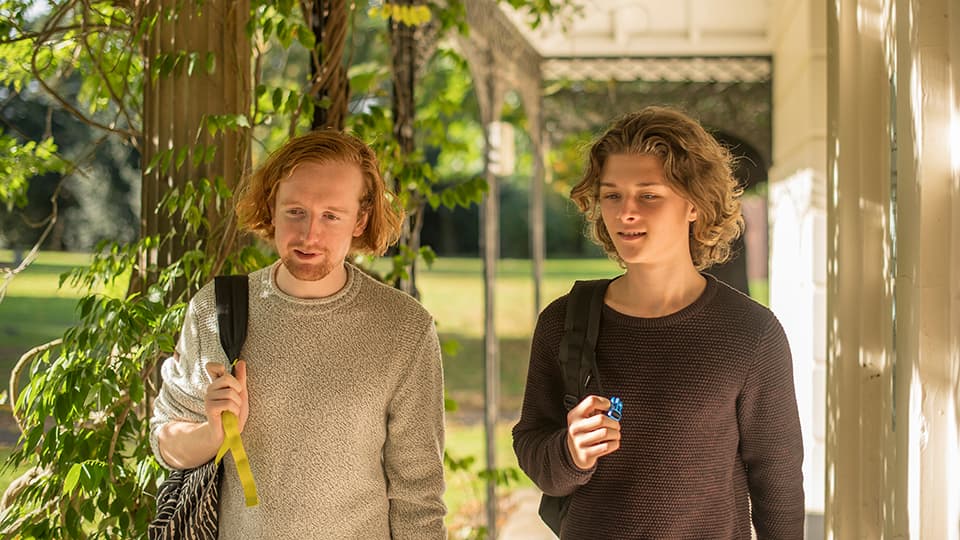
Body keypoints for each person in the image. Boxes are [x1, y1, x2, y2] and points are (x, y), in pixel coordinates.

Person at [512, 106, 804, 539]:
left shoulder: (751, 334)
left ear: (694, 205)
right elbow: (536, 452)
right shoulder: (564, 321)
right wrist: (571, 451)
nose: (625, 212)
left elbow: (777, 486)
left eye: (648, 195)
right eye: (612, 195)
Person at [150, 130, 447, 538]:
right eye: (295, 211)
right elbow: (165, 441)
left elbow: (419, 497)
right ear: (272, 208)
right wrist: (211, 433)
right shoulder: (215, 310)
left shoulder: (404, 328)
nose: (310, 235)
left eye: (330, 215)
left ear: (360, 219)